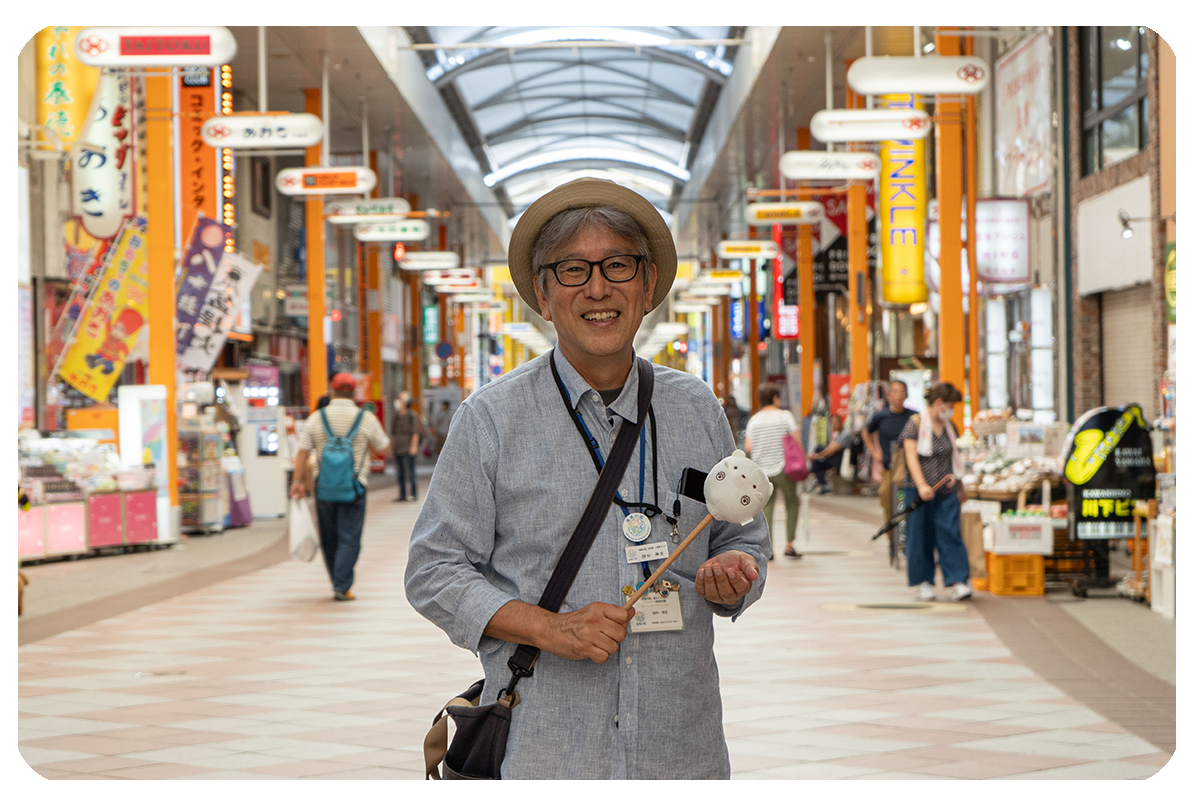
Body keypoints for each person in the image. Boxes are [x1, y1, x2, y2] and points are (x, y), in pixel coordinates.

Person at [404, 177, 769, 780]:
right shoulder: (491, 419)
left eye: (618, 265)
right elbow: (433, 570)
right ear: (543, 297)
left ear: (648, 286)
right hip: (546, 747)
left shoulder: (695, 407)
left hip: (678, 746)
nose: (598, 288)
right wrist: (549, 628)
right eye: (572, 270)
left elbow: (741, 537)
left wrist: (733, 578)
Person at [290, 373, 389, 601]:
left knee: (329, 537)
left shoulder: (317, 418)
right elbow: (384, 447)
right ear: (354, 393)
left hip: (324, 486)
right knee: (350, 537)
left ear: (331, 391)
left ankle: (337, 580)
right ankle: (342, 584)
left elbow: (302, 452)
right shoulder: (365, 418)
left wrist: (296, 483)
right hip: (355, 487)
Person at [899, 381, 972, 602]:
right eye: (950, 405)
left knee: (950, 532)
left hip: (947, 491)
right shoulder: (915, 423)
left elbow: (954, 459)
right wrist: (922, 486)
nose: (952, 410)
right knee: (920, 535)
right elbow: (911, 457)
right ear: (939, 402)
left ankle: (957, 581)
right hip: (918, 490)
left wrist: (961, 487)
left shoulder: (950, 426)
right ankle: (923, 582)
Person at [743, 383, 802, 559]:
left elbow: (748, 446)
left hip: (762, 472)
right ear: (776, 398)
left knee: (766, 508)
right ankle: (789, 545)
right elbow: (796, 439)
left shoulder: (754, 420)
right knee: (792, 503)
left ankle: (769, 549)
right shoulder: (785, 416)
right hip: (783, 469)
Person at [865, 381, 915, 524]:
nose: (899, 395)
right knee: (888, 505)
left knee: (908, 506)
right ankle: (892, 541)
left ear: (906, 395)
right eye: (895, 392)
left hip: (909, 471)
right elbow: (865, 432)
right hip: (889, 470)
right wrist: (874, 451)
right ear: (889, 396)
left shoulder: (914, 416)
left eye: (902, 392)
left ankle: (906, 540)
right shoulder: (881, 416)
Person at [808, 414, 855, 493]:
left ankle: (823, 484)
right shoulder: (838, 434)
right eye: (832, 424)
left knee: (817, 462)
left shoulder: (846, 434)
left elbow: (833, 450)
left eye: (835, 424)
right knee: (818, 450)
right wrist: (817, 456)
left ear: (840, 422)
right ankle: (823, 483)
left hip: (841, 460)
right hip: (836, 457)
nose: (834, 426)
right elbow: (829, 448)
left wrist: (817, 457)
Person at [391, 395, 424, 502]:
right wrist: (392, 448)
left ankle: (413, 494)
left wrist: (414, 447)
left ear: (405, 402)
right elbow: (394, 434)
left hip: (408, 447)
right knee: (400, 473)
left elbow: (415, 432)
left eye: (400, 400)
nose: (398, 402)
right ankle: (402, 495)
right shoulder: (397, 416)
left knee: (411, 472)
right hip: (398, 448)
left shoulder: (412, 415)